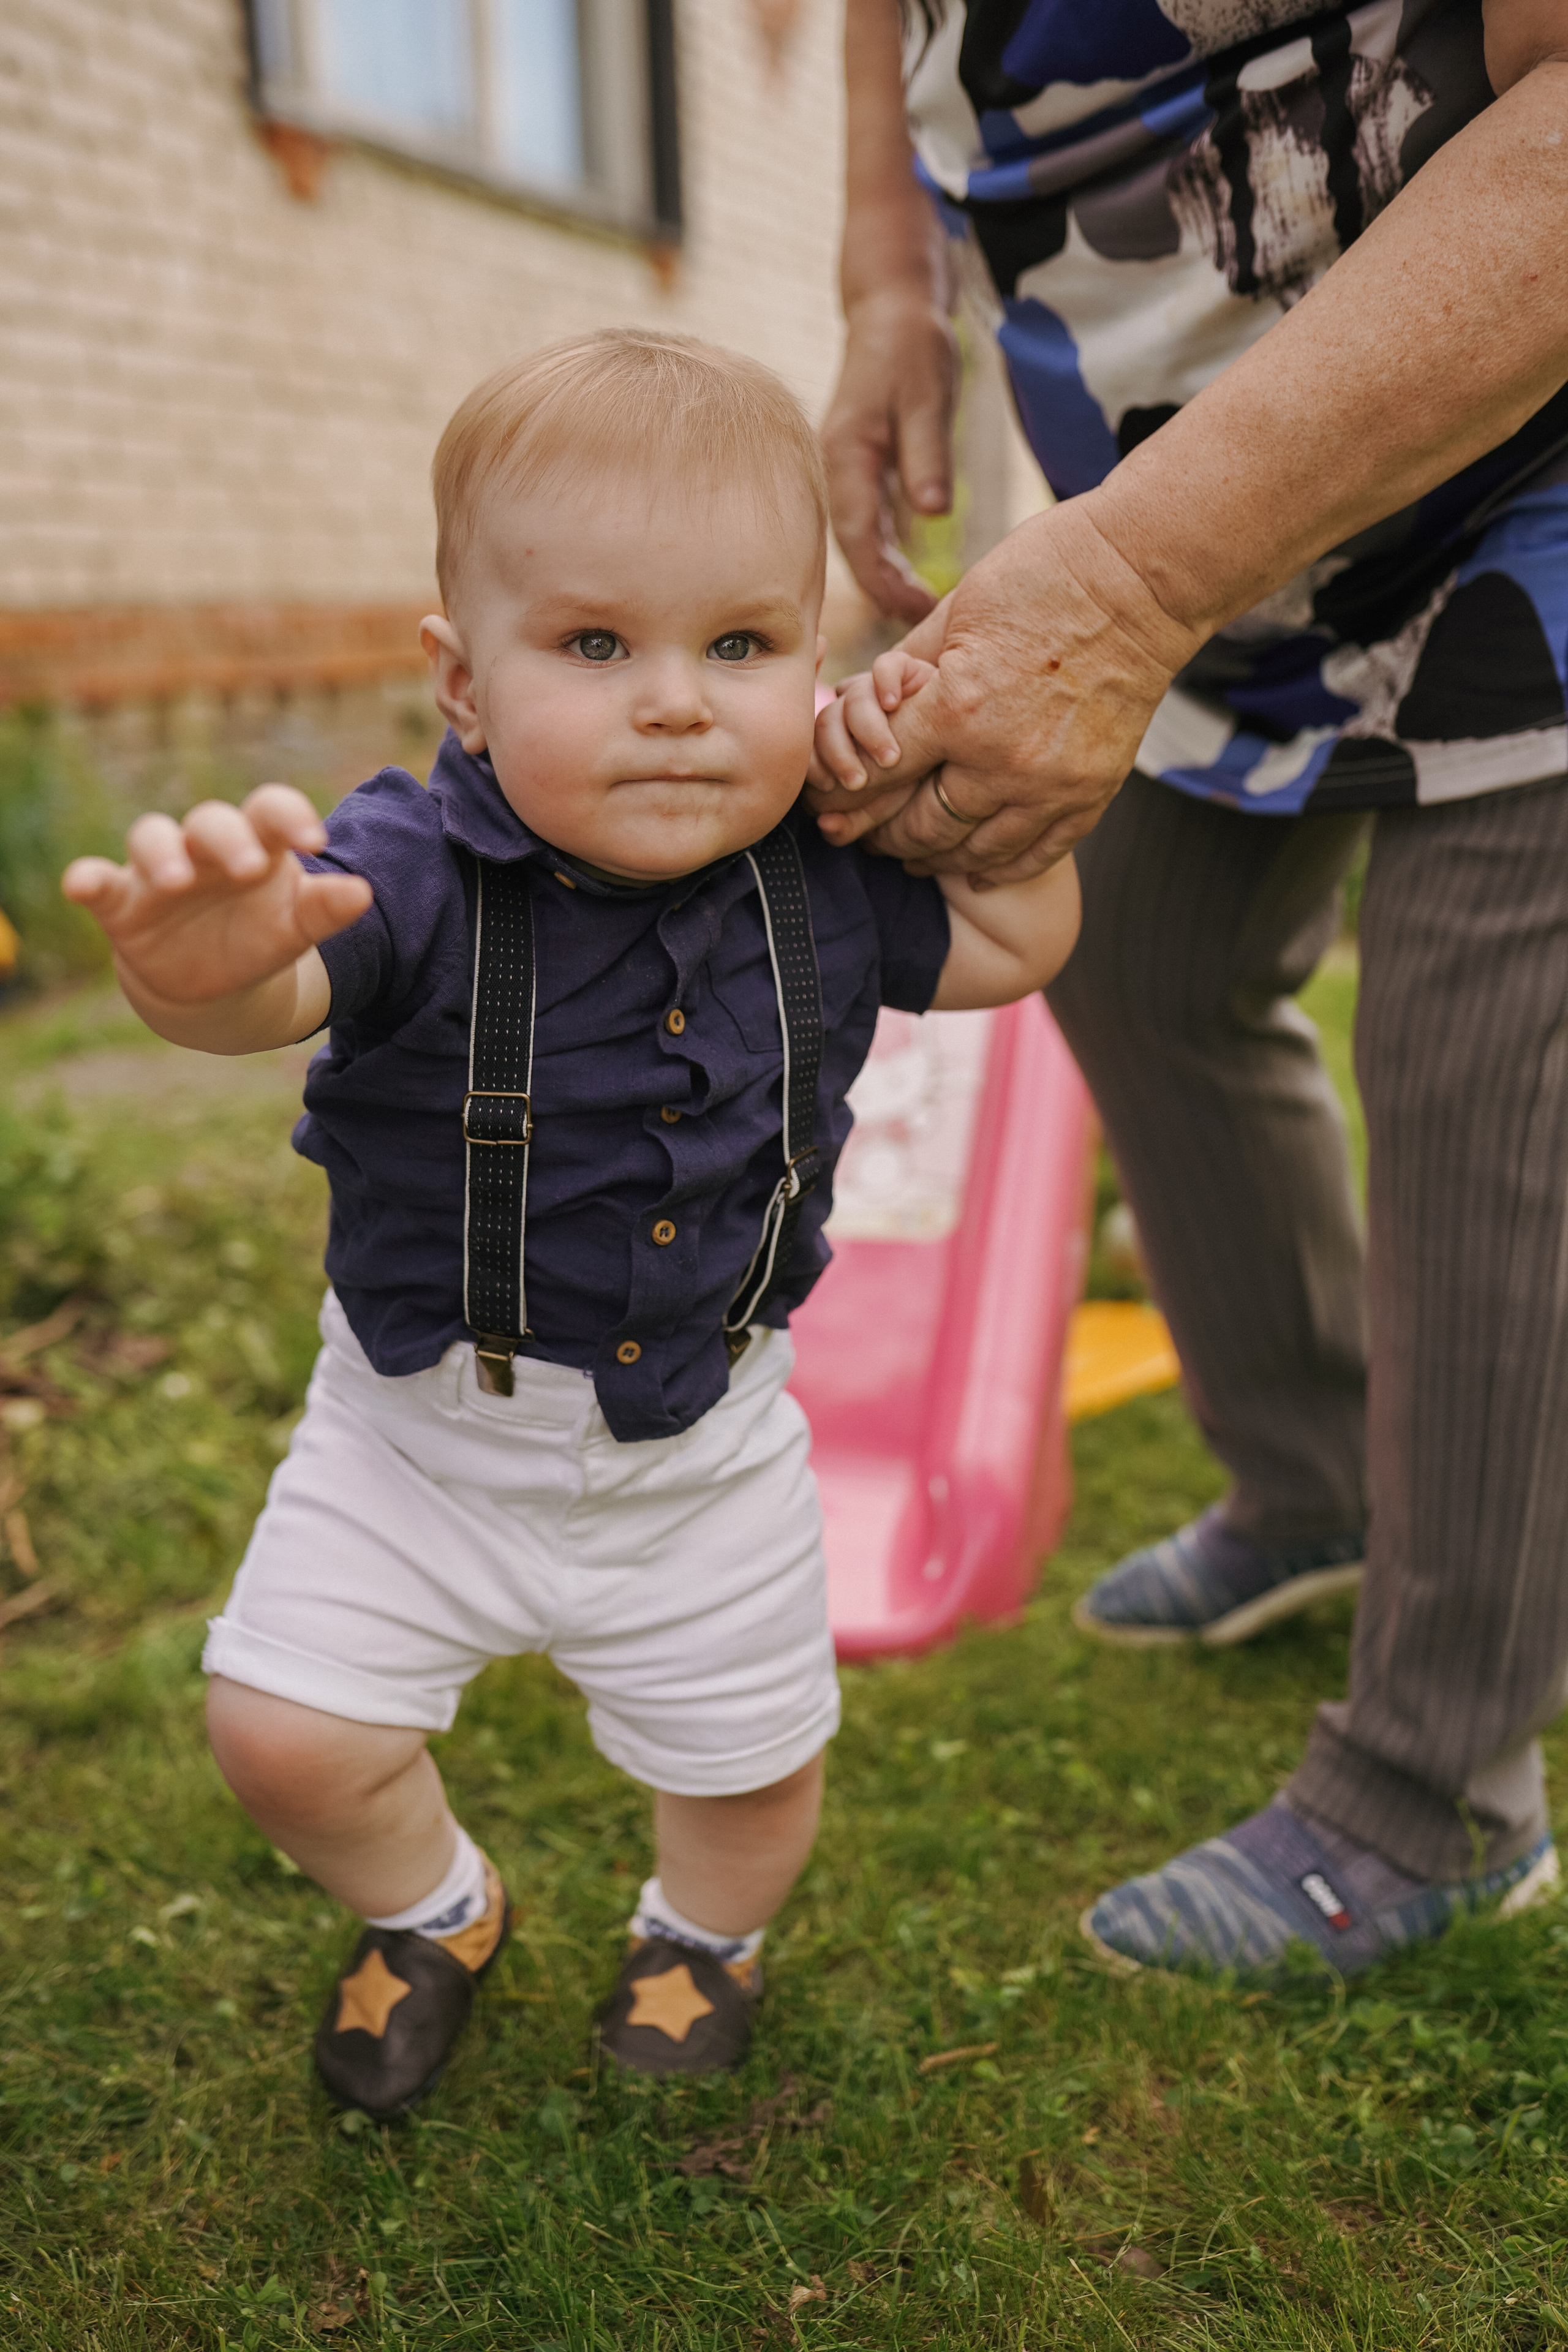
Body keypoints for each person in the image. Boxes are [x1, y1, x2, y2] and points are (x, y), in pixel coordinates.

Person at [62, 330, 1079, 2119]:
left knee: (755, 1769)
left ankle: (702, 1938)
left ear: (818, 665)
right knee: (286, 1736)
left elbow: (1009, 949)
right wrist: (200, 968)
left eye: (742, 646)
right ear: (462, 682)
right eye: (597, 646)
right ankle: (435, 1905)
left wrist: (1007, 810)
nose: (678, 701)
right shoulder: (406, 872)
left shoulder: (832, 879)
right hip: (422, 1439)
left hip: (704, 1447)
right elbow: (272, 991)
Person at [809, 0, 1568, 1975]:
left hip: (1519, 442)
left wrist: (1131, 583)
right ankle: (1315, 1482)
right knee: (1137, 946)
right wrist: (889, 284)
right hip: (1231, 509)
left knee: (1486, 1065)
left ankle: (1435, 1792)